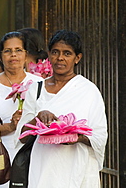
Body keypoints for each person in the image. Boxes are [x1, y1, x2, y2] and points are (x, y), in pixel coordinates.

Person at [16, 30, 107, 187]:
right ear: (49, 55)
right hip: (43, 168)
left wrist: (74, 137)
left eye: (67, 53)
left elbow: (99, 137)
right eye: (55, 52)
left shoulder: (88, 91)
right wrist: (38, 118)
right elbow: (22, 136)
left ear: (77, 58)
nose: (60, 58)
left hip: (77, 170)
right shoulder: (36, 90)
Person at [0, 32, 43, 188]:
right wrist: (10, 126)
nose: (13, 55)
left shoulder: (39, 83)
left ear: (25, 55)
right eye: (8, 51)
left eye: (18, 50)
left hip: (33, 155)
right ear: (1, 56)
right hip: (0, 159)